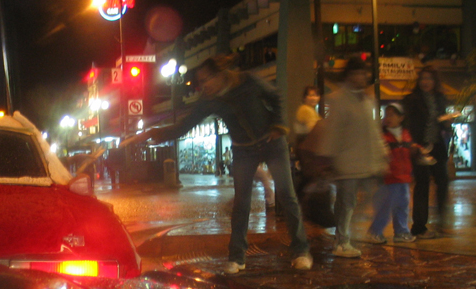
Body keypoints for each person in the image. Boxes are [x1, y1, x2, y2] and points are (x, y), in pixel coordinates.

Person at [126, 54, 311, 273]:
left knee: (287, 195)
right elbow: (184, 126)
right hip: (243, 149)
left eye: (206, 80)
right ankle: (237, 257)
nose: (204, 86)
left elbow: (275, 96)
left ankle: (301, 251)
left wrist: (278, 125)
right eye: (200, 82)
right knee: (241, 203)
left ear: (220, 74)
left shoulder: (247, 81)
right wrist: (152, 133)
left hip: (272, 142)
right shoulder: (208, 100)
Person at [318, 56, 389, 258]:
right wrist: (328, 157)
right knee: (347, 203)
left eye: (362, 73)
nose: (360, 77)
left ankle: (346, 236)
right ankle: (342, 241)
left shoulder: (368, 100)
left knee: (364, 201)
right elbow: (333, 131)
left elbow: (374, 131)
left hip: (366, 162)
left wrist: (383, 154)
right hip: (347, 162)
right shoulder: (339, 99)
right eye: (356, 73)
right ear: (348, 76)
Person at [402, 66, 457, 239]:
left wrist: (447, 123)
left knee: (443, 180)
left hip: (437, 145)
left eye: (429, 78)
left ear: (435, 81)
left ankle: (441, 221)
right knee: (422, 183)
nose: (426, 82)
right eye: (423, 78)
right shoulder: (412, 99)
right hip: (419, 146)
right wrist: (411, 142)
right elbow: (406, 123)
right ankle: (419, 227)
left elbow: (441, 121)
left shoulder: (440, 99)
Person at [366, 102, 417, 244]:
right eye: (387, 115)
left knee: (402, 206)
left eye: (392, 115)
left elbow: (410, 150)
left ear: (401, 118)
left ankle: (401, 232)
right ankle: (376, 232)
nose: (388, 118)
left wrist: (418, 150)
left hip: (404, 177)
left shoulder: (406, 134)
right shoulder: (382, 136)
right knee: (385, 206)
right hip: (388, 178)